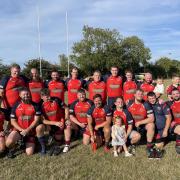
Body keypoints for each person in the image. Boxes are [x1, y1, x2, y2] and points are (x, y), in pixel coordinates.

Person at [5, 88, 46, 158]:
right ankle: (13, 148)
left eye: (28, 94)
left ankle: (32, 141)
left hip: (30, 131)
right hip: (19, 130)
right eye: (24, 94)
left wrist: (27, 130)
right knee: (8, 143)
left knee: (29, 153)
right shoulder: (16, 106)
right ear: (20, 95)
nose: (26, 96)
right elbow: (13, 121)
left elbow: (36, 120)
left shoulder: (35, 105)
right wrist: (21, 130)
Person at [41, 88, 71, 154]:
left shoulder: (56, 100)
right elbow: (43, 120)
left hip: (61, 121)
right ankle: (50, 137)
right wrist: (55, 123)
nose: (49, 97)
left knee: (67, 124)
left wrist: (66, 118)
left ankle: (67, 144)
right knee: (58, 141)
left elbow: (66, 108)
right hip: (51, 124)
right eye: (46, 96)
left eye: (49, 95)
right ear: (42, 97)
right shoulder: (40, 105)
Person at [127, 89, 155, 158]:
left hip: (142, 126)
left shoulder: (146, 104)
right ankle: (130, 144)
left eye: (141, 94)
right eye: (138, 94)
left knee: (151, 125)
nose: (140, 95)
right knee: (137, 137)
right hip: (132, 126)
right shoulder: (129, 103)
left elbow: (152, 118)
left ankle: (149, 146)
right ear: (134, 95)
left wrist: (140, 122)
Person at [147, 92, 172, 158]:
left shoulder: (162, 104)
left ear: (156, 97)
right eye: (150, 99)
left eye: (153, 98)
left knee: (159, 145)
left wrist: (165, 130)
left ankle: (164, 138)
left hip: (162, 129)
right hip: (152, 129)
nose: (152, 100)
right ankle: (150, 143)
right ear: (147, 99)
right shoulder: (147, 104)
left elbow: (169, 117)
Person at [167, 88, 180, 154]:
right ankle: (178, 144)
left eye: (177, 93)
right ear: (171, 96)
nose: (176, 95)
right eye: (174, 94)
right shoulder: (169, 103)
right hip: (175, 125)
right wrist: (159, 100)